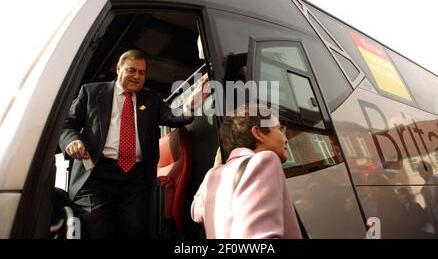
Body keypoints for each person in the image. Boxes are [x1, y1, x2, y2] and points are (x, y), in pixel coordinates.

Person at [59, 49, 208, 238]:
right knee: (96, 227)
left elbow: (172, 116)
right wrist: (73, 140)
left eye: (142, 72)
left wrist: (190, 105)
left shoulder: (151, 99)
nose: (137, 76)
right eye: (132, 70)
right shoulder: (90, 92)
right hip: (96, 174)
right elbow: (67, 124)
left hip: (135, 179)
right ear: (118, 68)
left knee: (136, 230)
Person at [191, 104, 302, 238]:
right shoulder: (263, 162)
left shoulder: (213, 176)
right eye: (279, 129)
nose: (285, 139)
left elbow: (195, 211)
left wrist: (214, 169)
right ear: (258, 133)